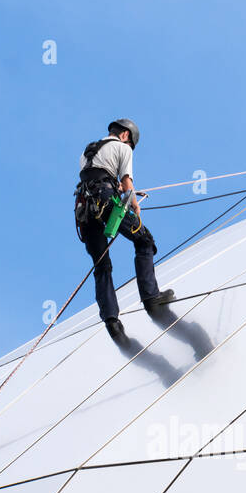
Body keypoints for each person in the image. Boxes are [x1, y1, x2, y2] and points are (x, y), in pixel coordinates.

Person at [74, 119, 175, 340]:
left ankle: (112, 322)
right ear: (125, 136)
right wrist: (135, 206)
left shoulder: (88, 152)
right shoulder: (122, 149)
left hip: (84, 209)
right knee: (144, 240)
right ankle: (151, 298)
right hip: (105, 200)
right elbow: (126, 182)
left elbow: (96, 175)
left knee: (102, 265)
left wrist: (116, 188)